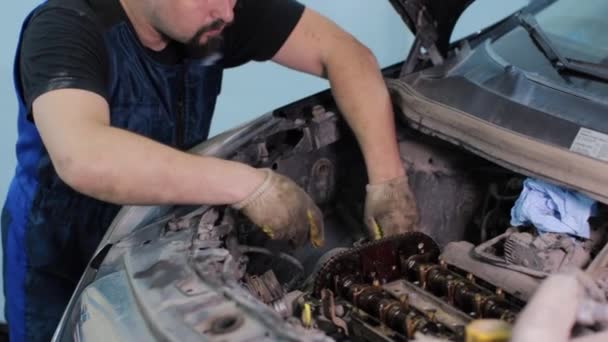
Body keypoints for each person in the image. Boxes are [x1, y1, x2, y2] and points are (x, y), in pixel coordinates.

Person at [1, 0, 418, 340]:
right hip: (59, 252)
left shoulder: (214, 9)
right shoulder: (65, 27)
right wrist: (250, 186)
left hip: (154, 234)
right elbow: (83, 156)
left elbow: (345, 53)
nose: (229, 13)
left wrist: (388, 180)